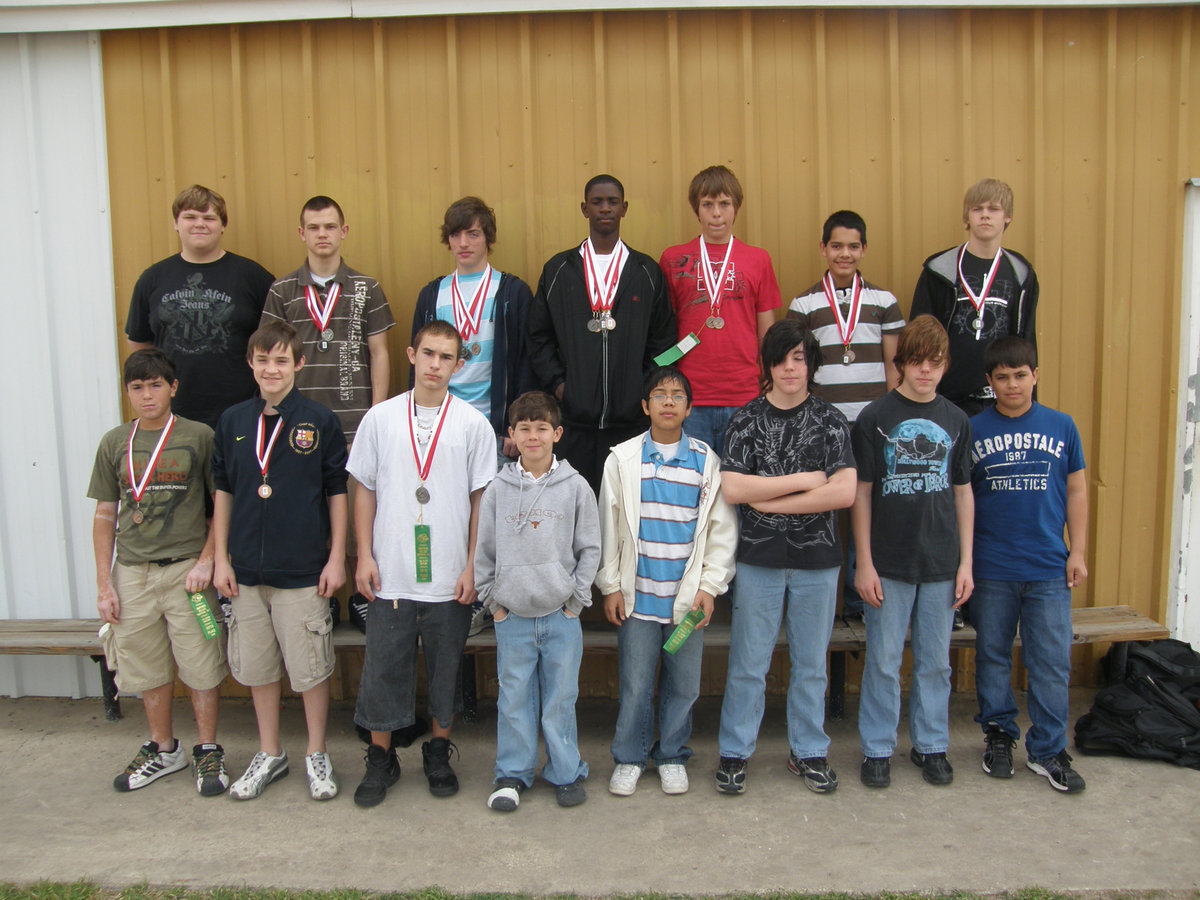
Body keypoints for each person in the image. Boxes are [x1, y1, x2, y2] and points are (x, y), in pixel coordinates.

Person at [347, 320, 496, 807]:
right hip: (390, 572)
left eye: (446, 357)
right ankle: (380, 758)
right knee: (384, 667)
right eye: (428, 354)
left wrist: (474, 565)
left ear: (459, 364)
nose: (435, 365)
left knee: (446, 667)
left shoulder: (473, 424)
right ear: (411, 355)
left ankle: (436, 752)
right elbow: (364, 488)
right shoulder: (380, 419)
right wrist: (364, 554)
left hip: (450, 574)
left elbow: (481, 501)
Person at [714, 320, 856, 796]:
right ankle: (735, 752)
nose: (790, 368)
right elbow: (733, 487)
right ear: (767, 366)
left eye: (799, 358)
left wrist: (769, 501)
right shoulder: (746, 420)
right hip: (759, 558)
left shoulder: (832, 421)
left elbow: (844, 491)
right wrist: (803, 481)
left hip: (819, 562)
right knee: (749, 661)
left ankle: (809, 751)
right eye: (781, 359)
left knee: (811, 661)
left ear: (811, 365)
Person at [212, 322, 348, 801]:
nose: (272, 369)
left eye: (282, 361)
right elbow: (223, 493)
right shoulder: (231, 422)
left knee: (310, 668)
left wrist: (335, 558)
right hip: (246, 573)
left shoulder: (319, 421)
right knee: (258, 668)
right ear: (250, 364)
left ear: (299, 365)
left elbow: (336, 492)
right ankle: (270, 752)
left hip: (302, 572)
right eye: (263, 360)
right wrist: (220, 559)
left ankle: (315, 751)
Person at [89, 348, 228, 795]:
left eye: (155, 385)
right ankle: (163, 748)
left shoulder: (200, 436)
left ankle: (207, 751)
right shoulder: (115, 442)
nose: (146, 395)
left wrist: (207, 560)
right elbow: (105, 515)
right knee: (146, 666)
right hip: (132, 575)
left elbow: (219, 508)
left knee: (203, 661)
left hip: (189, 575)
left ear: (173, 388)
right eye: (137, 387)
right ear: (127, 392)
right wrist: (103, 583)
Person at [597, 367, 736, 797]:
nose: (669, 402)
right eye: (659, 395)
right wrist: (611, 586)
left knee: (684, 684)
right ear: (645, 406)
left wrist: (709, 588)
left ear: (690, 408)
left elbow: (721, 531)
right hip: (638, 600)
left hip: (686, 603)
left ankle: (673, 754)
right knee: (637, 684)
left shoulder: (706, 462)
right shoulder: (622, 460)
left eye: (678, 395)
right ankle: (631, 757)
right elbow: (608, 527)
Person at [851, 315, 973, 789]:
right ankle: (878, 748)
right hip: (889, 561)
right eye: (916, 362)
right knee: (882, 659)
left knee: (935, 661)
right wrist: (864, 561)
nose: (925, 371)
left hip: (942, 563)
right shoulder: (875, 417)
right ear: (900, 364)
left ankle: (931, 745)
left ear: (945, 367)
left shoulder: (956, 419)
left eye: (935, 363)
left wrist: (966, 562)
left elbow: (963, 493)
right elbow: (860, 493)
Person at [969, 336, 1089, 793]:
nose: (1012, 384)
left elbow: (1076, 491)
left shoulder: (1062, 427)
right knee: (993, 655)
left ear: (1036, 376)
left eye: (1021, 375)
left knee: (1050, 662)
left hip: (1048, 568)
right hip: (992, 567)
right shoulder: (974, 429)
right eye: (1002, 377)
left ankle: (1048, 750)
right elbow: (962, 498)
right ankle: (998, 735)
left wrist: (1076, 551)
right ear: (989, 382)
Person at [475, 391, 600, 811]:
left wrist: (575, 602)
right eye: (524, 428)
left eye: (541, 428)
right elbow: (484, 552)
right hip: (512, 618)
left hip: (561, 615)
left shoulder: (576, 487)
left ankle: (565, 771)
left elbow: (590, 550)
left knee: (561, 698)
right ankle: (512, 773)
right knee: (514, 698)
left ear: (557, 433)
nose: (533, 436)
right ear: (511, 434)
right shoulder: (498, 489)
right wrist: (494, 603)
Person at [787, 209, 905, 620]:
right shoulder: (804, 303)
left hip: (871, 424)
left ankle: (859, 602)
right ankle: (813, 603)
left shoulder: (883, 302)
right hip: (823, 427)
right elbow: (797, 364)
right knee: (820, 510)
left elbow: (894, 365)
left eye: (853, 246)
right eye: (836, 246)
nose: (845, 254)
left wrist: (891, 417)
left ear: (864, 249)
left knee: (866, 509)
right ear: (823, 248)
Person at [526, 174, 677, 492]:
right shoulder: (559, 271)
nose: (605, 208)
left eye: (612, 202)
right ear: (584, 209)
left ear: (625, 208)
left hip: (631, 424)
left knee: (625, 511)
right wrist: (560, 385)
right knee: (578, 512)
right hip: (574, 425)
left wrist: (644, 388)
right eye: (597, 202)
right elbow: (538, 336)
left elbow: (664, 341)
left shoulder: (646, 271)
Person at [126, 184, 275, 429]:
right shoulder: (153, 279)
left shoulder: (252, 277)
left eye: (209, 218)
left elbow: (276, 342)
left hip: (241, 413)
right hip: (175, 414)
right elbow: (140, 344)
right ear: (176, 223)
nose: (200, 224)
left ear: (223, 225)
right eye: (190, 217)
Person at [658, 165, 782, 457]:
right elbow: (664, 329)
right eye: (708, 204)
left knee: (740, 486)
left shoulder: (758, 259)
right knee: (693, 486)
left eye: (724, 204)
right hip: (689, 397)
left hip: (744, 393)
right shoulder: (674, 259)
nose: (716, 213)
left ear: (736, 208)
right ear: (696, 210)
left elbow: (767, 331)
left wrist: (768, 379)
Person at [259, 195, 395, 444]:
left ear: (343, 231)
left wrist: (377, 414)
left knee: (352, 485)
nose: (322, 234)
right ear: (302, 233)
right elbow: (269, 359)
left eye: (330, 227)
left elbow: (380, 354)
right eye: (314, 228)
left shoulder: (367, 287)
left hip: (355, 423)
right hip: (296, 419)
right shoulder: (282, 290)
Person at [412, 196, 537, 466]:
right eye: (455, 235)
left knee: (491, 506)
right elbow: (419, 363)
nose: (463, 243)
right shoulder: (432, 295)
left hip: (496, 432)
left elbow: (527, 362)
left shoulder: (512, 293)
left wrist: (516, 424)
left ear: (488, 238)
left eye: (473, 234)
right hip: (443, 425)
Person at [911, 178, 1039, 417]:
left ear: (1007, 216)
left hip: (1001, 400)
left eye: (993, 209)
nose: (985, 216)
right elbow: (919, 337)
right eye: (977, 209)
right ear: (966, 216)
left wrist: (1029, 404)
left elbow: (1026, 341)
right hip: (947, 398)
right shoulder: (940, 270)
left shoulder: (1021, 274)